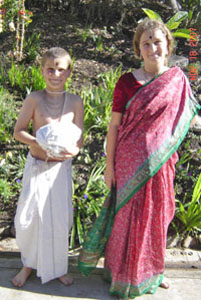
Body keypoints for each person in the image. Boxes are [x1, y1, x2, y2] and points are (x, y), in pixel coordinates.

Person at [78, 18, 200, 298]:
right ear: (138, 49)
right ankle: (121, 273)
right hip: (128, 161)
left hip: (161, 164)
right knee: (126, 219)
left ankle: (155, 272)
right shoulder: (126, 82)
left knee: (158, 217)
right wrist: (108, 166)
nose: (152, 47)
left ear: (167, 45)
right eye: (146, 43)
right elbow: (114, 126)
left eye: (157, 41)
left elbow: (184, 119)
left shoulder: (177, 81)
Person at [12, 47, 84, 287]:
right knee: (30, 219)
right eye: (50, 69)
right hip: (37, 167)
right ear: (42, 70)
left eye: (60, 69)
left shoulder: (75, 102)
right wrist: (37, 142)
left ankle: (57, 267)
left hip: (60, 170)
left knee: (59, 219)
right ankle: (28, 265)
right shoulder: (35, 98)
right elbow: (18, 131)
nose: (55, 74)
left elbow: (80, 139)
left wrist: (73, 150)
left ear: (69, 72)